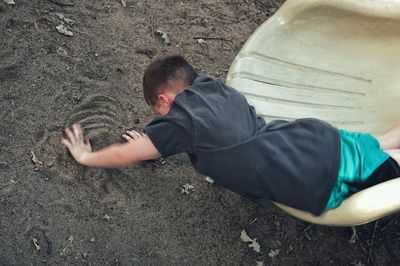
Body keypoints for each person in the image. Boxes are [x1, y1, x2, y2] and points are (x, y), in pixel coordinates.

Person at [62, 55, 400, 216]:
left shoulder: (182, 120)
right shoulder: (211, 87)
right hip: (309, 138)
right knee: (376, 144)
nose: (160, 121)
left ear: (164, 100)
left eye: (157, 112)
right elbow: (204, 133)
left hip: (315, 168)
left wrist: (87, 156)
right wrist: (149, 142)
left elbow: (126, 155)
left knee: (388, 165)